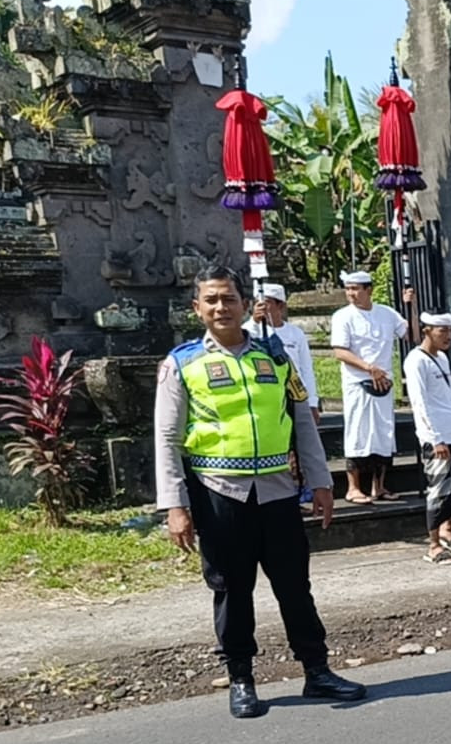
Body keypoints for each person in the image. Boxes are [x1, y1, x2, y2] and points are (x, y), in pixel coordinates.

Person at [154, 265, 367, 719]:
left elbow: (302, 423)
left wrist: (320, 481)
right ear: (197, 308)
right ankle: (241, 679)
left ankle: (317, 670)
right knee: (232, 589)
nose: (221, 307)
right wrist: (175, 505)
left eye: (229, 298)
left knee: (295, 586)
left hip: (277, 492)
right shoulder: (182, 364)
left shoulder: (275, 358)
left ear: (246, 305)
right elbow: (167, 438)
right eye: (211, 300)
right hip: (219, 494)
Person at [330, 270, 416, 504]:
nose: (351, 293)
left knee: (383, 433)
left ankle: (379, 485)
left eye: (355, 289)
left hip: (384, 382)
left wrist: (411, 306)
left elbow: (411, 335)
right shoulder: (343, 316)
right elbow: (340, 351)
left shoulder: (386, 313)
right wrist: (369, 368)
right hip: (358, 382)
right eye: (348, 289)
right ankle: (353, 487)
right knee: (358, 432)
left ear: (368, 290)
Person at [403, 312, 451, 562]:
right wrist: (434, 438)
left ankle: (450, 530)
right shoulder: (416, 360)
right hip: (437, 435)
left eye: (449, 331)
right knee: (438, 489)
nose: (448, 336)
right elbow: (420, 402)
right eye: (442, 331)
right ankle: (433, 543)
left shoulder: (442, 358)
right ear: (427, 331)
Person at [245, 283, 320, 509]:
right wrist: (256, 322)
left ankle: (302, 490)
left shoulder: (295, 333)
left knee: (299, 446)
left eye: (267, 303)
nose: (262, 307)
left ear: (280, 306)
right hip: (267, 398)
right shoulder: (248, 331)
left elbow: (306, 369)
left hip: (294, 396)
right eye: (259, 302)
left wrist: (312, 402)